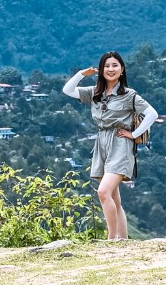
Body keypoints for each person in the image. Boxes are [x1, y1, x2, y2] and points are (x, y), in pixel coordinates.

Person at [62, 50, 158, 240]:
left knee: (104, 192)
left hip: (121, 145)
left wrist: (134, 134)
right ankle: (122, 240)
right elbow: (67, 90)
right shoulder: (95, 93)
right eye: (106, 66)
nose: (110, 69)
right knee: (114, 199)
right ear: (101, 69)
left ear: (122, 70)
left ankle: (111, 239)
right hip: (102, 144)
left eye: (115, 65)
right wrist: (82, 74)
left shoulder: (129, 95)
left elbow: (152, 114)